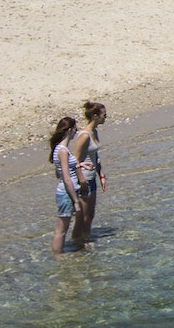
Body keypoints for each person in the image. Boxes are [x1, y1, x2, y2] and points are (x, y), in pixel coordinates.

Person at [71, 101, 107, 246]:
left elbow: (95, 157)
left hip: (92, 178)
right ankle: (76, 244)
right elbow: (74, 160)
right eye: (104, 115)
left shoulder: (95, 132)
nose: (106, 117)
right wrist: (81, 180)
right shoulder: (84, 136)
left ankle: (85, 240)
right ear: (95, 116)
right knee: (82, 216)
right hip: (83, 179)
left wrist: (102, 175)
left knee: (90, 215)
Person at [50, 115, 82, 254]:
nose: (76, 131)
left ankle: (59, 253)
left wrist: (79, 165)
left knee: (63, 228)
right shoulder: (63, 151)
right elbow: (66, 178)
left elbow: (59, 174)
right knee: (61, 229)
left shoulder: (58, 149)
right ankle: (58, 256)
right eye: (75, 129)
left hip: (65, 192)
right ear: (69, 130)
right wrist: (76, 201)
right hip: (66, 193)